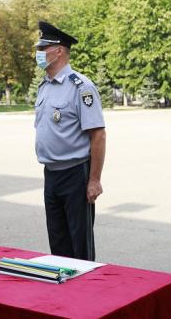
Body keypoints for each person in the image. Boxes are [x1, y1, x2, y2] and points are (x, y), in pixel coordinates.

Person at [33, 21, 106, 261]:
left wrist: (94, 180)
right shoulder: (44, 86)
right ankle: (62, 285)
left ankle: (85, 286)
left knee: (80, 247)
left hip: (75, 175)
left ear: (59, 51)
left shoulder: (81, 87)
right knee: (58, 244)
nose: (38, 53)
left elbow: (98, 135)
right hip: (51, 174)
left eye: (43, 48)